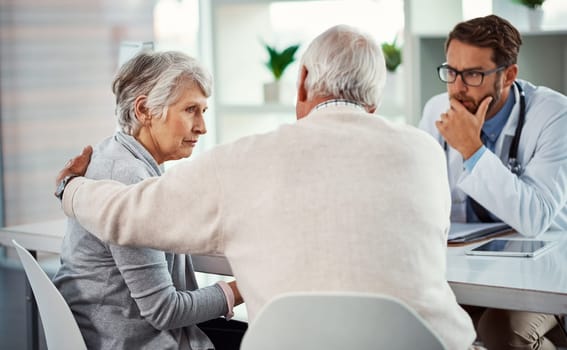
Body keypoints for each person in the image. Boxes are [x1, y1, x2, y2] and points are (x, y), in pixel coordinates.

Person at [55, 25, 476, 349]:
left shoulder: (244, 158)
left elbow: (126, 214)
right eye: (191, 111)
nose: (202, 126)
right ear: (375, 99)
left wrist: (71, 187)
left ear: (303, 79)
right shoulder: (425, 151)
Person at [52, 51, 246, 350]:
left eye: (203, 111)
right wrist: (247, 285)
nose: (202, 127)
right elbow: (165, 310)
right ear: (144, 110)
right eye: (190, 109)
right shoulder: (129, 177)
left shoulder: (115, 154)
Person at [419, 15, 567, 350]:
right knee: (424, 321)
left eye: (473, 74)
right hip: (468, 266)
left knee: (502, 331)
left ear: (509, 74)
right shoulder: (436, 111)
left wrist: (472, 148)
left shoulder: (555, 116)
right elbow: (422, 198)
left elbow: (534, 219)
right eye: (451, 71)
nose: (457, 87)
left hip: (542, 270)